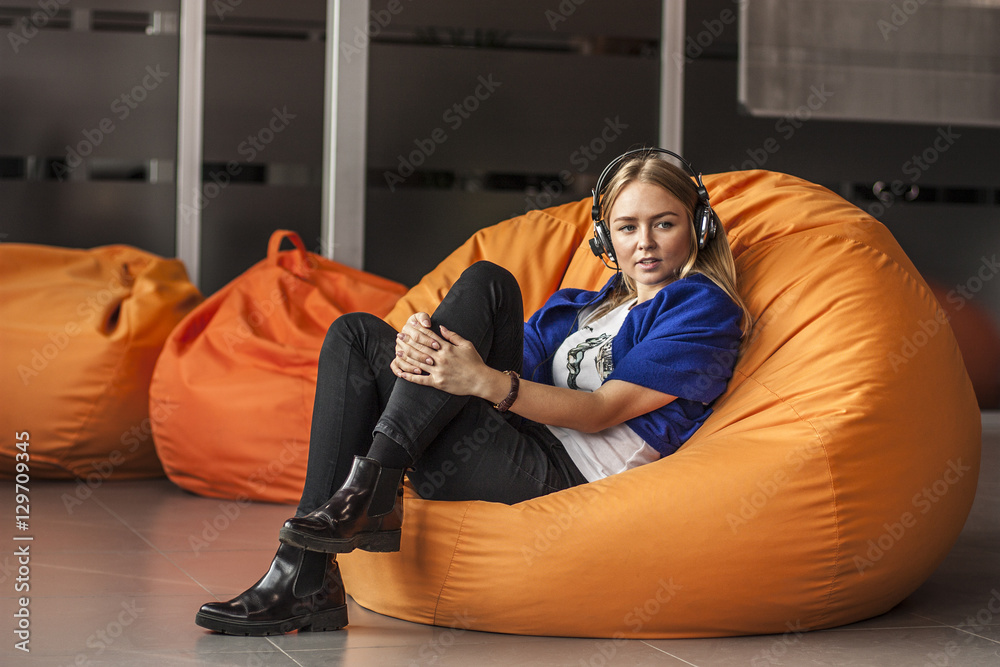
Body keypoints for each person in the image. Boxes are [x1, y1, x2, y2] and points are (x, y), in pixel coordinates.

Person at [194, 148, 753, 636]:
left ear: (697, 227)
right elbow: (470, 361)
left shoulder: (701, 306)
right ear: (606, 237)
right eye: (628, 227)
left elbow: (604, 409)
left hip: (561, 473)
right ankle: (310, 570)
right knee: (361, 334)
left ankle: (362, 505)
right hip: (501, 441)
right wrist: (422, 343)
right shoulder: (582, 307)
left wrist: (484, 383)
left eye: (664, 224)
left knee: (487, 284)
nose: (645, 244)